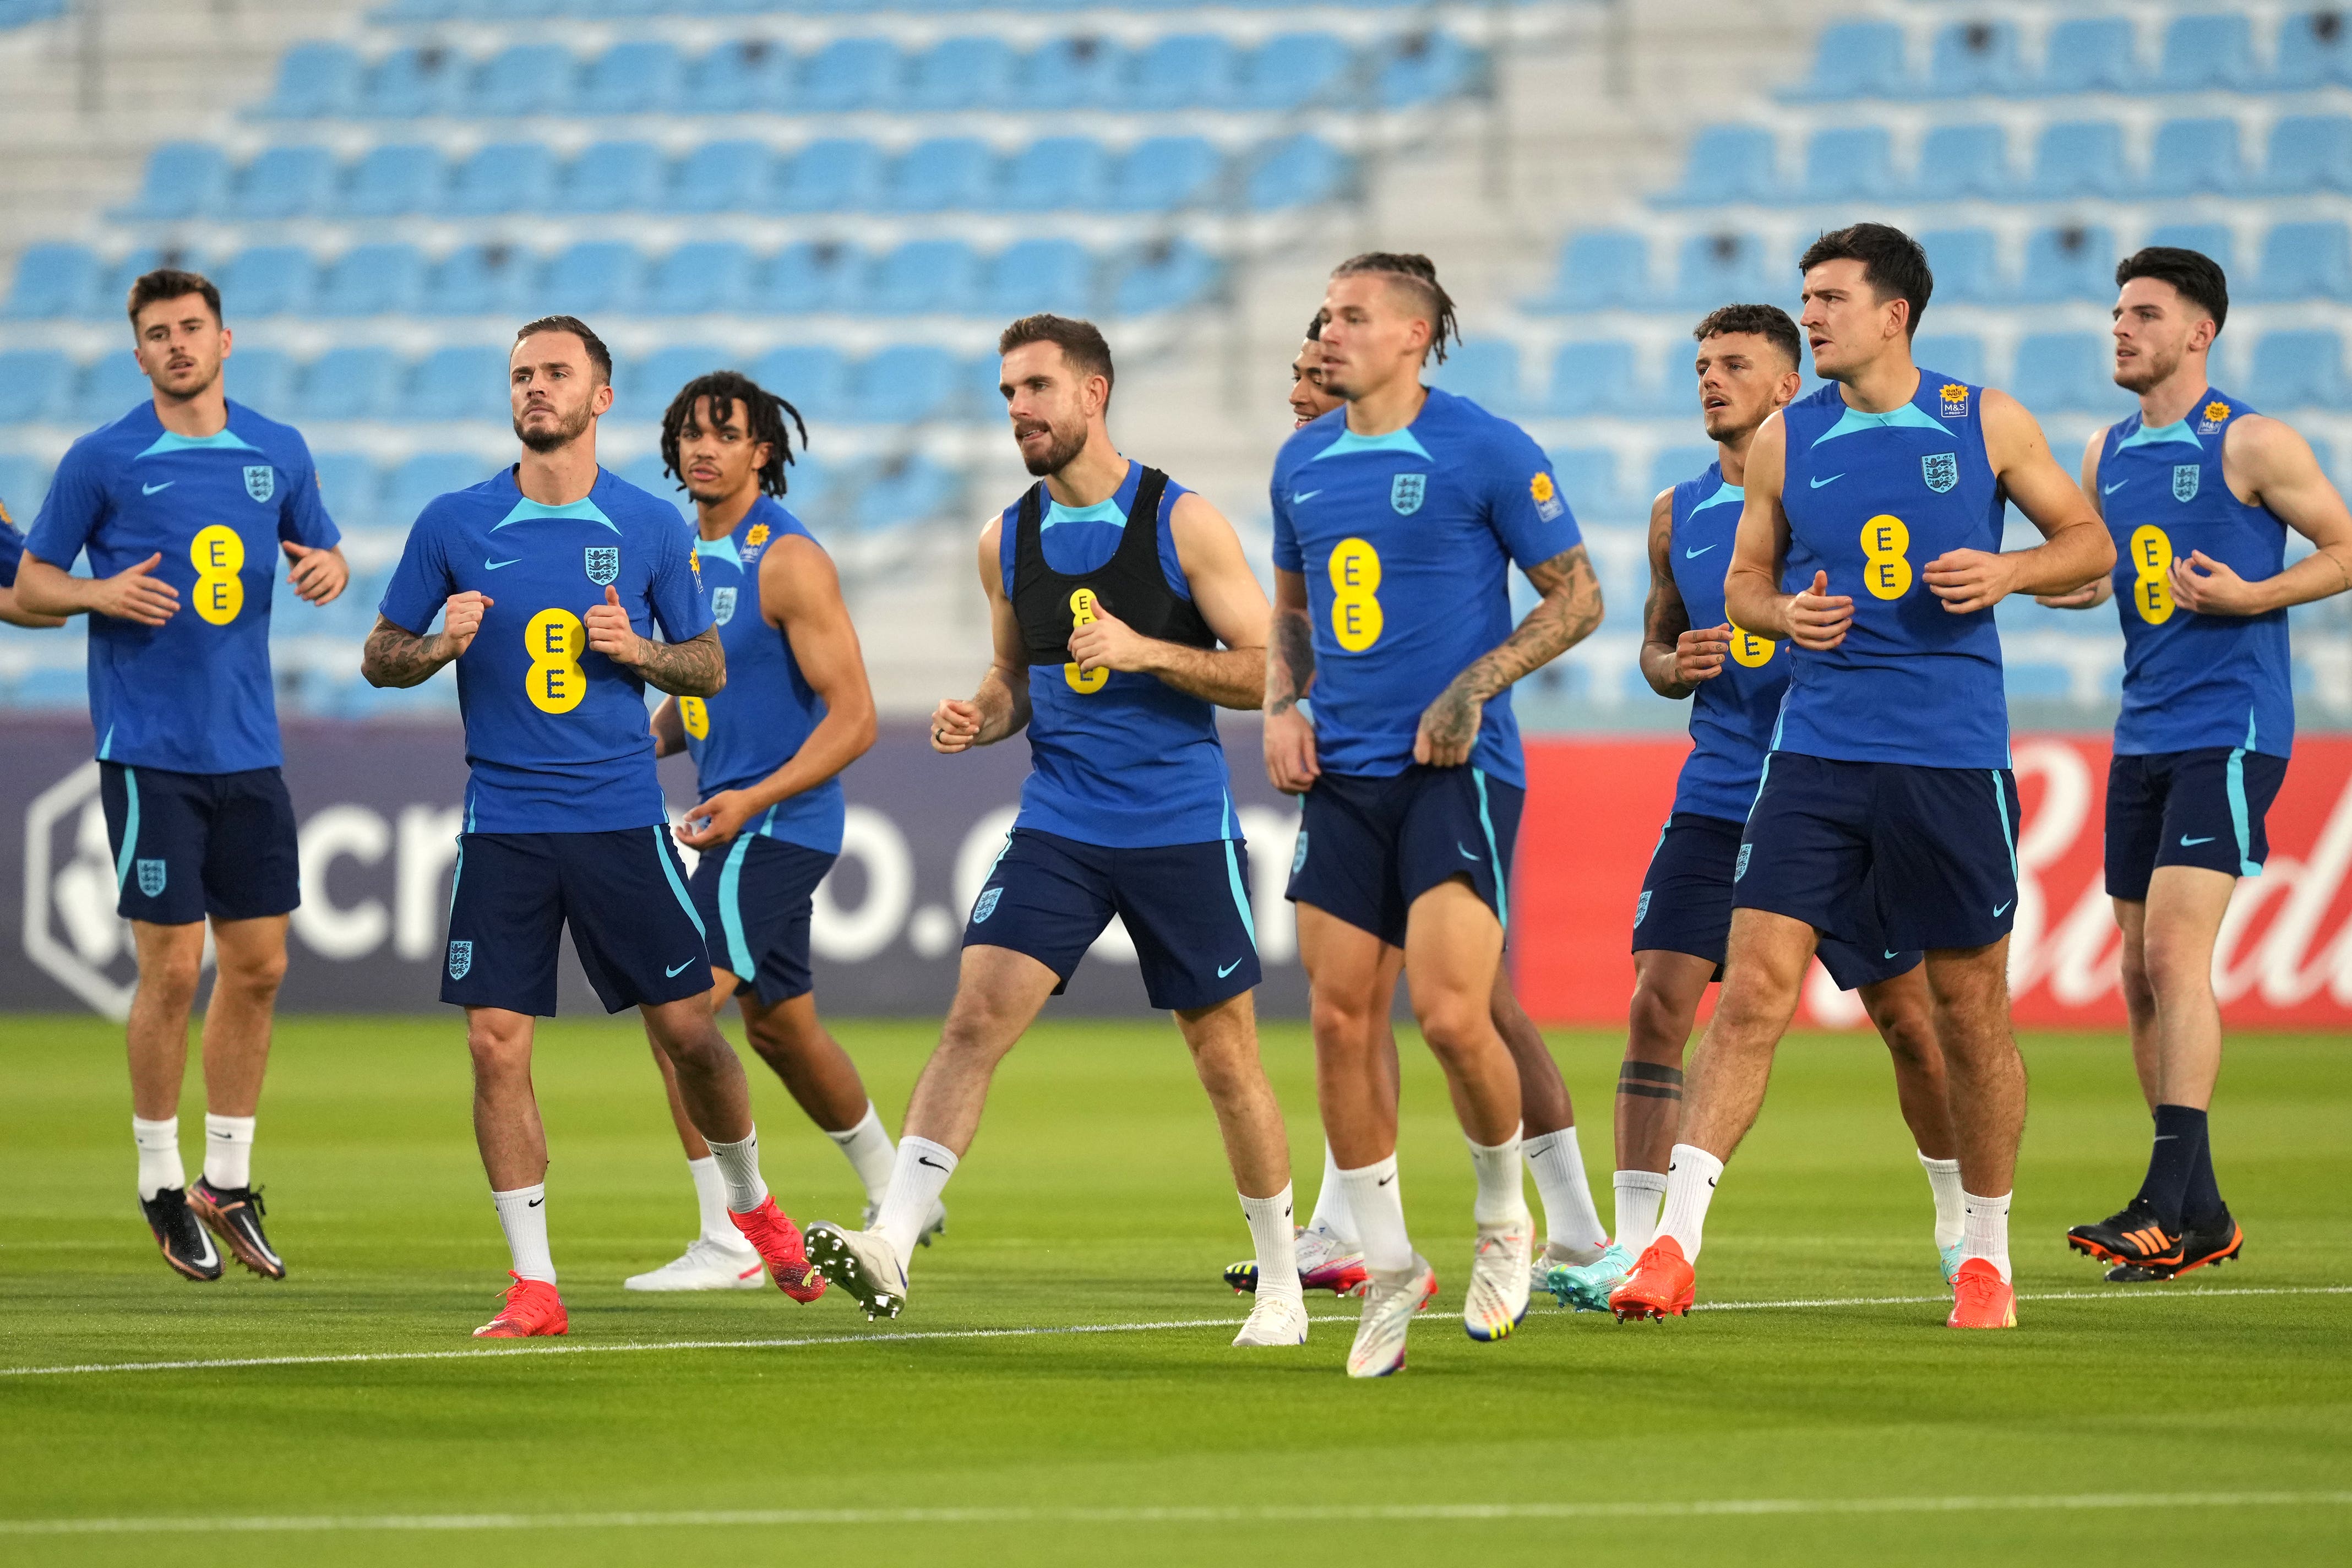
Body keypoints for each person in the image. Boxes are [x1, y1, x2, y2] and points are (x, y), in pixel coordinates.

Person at [1608, 224, 2113, 1332]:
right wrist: (1785, 611)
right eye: (1809, 296)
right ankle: (1671, 1245)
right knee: (1750, 995)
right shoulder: (1792, 437)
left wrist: (2011, 568)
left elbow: (2092, 545)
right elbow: (1744, 579)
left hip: (1949, 759)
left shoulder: (1983, 420)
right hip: (1815, 757)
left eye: (1831, 297)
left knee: (1967, 1012)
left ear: (1895, 313)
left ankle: (1984, 1253)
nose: (1815, 313)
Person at [802, 314, 1310, 1350]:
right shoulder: (1007, 540)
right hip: (1062, 824)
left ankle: (1284, 1284)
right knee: (975, 1017)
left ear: (1093, 394)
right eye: (1006, 395)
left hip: (1176, 828)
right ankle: (893, 1240)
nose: (1018, 411)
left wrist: (1147, 651)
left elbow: (1269, 671)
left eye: (1035, 388)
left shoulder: (1183, 522)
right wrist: (978, 716)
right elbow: (1013, 681)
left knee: (1226, 1062)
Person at [361, 315, 824, 1337]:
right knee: (494, 1045)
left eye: (556, 373)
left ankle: (753, 1208)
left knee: (690, 1032)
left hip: (619, 821)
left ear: (599, 398)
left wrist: (644, 652)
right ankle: (535, 1284)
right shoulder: (453, 522)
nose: (535, 388)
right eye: (522, 374)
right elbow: (378, 651)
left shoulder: (651, 529)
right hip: (506, 824)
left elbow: (705, 663)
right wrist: (437, 646)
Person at [1544, 303, 1965, 1314]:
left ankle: (1962, 1225)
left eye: (1733, 364)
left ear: (1788, 388)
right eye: (1700, 365)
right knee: (1656, 1002)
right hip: (1721, 793)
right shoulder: (1672, 512)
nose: (1709, 380)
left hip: (1834, 785)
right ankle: (1637, 1247)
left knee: (1908, 1021)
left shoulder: (1832, 489)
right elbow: (1654, 645)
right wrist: (1670, 665)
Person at [1229, 312, 1612, 1305]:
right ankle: (1377, 1249)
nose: (1307, 381)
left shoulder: (1476, 448)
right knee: (1345, 1015)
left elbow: (1576, 596)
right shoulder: (1302, 467)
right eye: (1305, 361)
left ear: (1404, 339)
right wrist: (1282, 707)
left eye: (1333, 348)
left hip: (1455, 769)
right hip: (1347, 779)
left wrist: (1474, 686)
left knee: (1460, 1014)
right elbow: (1294, 614)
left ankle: (1524, 1221)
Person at [19, 268, 348, 1283]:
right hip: (150, 753)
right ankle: (161, 1180)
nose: (176, 345)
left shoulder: (278, 451)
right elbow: (27, 584)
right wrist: (96, 593)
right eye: (157, 333)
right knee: (172, 970)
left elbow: (323, 553)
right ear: (138, 354)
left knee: (260, 969)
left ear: (224, 339)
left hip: (249, 750)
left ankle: (228, 1181)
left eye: (190, 328)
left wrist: (325, 571)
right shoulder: (104, 458)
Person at [2041, 247, 2352, 1282]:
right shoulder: (2106, 453)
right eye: (2117, 314)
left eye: (2143, 314)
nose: (2120, 330)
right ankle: (2205, 1211)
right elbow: (2102, 566)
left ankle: (2161, 1202)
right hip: (2143, 733)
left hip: (2232, 727)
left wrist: (2256, 596)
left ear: (2197, 333)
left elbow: (2345, 547)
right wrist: (2068, 586)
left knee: (2175, 957)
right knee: (2136, 975)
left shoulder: (2252, 441)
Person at [621, 369, 928, 1291]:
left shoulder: (787, 560)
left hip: (776, 826)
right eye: (691, 434)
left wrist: (755, 797)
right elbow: (716, 694)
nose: (705, 448)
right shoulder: (678, 555)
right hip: (736, 820)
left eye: (727, 433)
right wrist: (651, 740)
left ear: (764, 452)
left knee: (677, 1010)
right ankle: (898, 1188)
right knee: (781, 1030)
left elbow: (855, 716)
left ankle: (732, 1239)